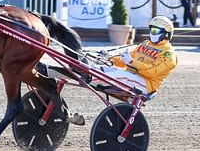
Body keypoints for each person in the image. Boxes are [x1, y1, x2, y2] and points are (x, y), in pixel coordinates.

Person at [37, 16, 178, 95]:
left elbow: (153, 72)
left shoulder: (169, 55)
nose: (151, 33)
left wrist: (131, 62)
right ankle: (49, 71)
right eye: (151, 30)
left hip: (146, 84)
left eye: (155, 31)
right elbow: (124, 61)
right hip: (131, 76)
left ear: (165, 34)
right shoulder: (145, 45)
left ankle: (89, 75)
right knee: (97, 69)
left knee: (114, 75)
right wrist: (107, 57)